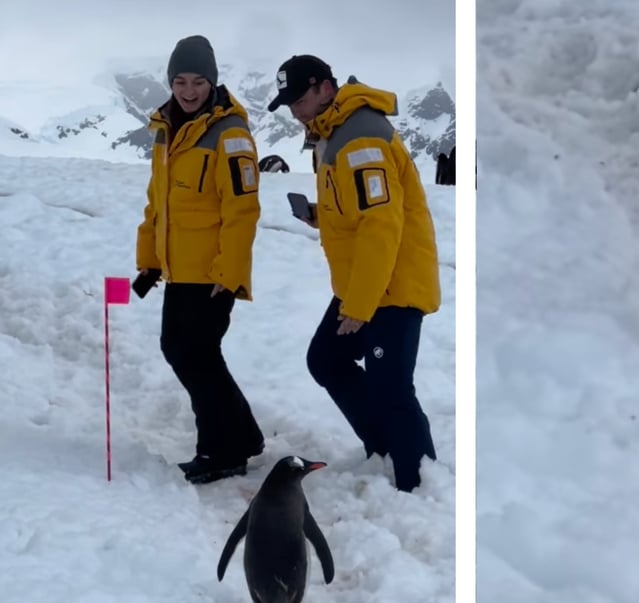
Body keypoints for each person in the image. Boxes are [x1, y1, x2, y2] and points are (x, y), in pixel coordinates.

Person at [266, 54, 441, 492]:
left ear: (325, 88)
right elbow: (358, 209)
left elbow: (382, 227)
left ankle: (417, 482)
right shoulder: (332, 134)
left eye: (300, 99)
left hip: (392, 285)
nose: (295, 111)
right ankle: (384, 449)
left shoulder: (361, 139)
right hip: (364, 282)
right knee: (327, 359)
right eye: (289, 103)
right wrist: (321, 216)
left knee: (392, 388)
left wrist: (360, 306)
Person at [135, 35, 265, 485]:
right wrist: (150, 261)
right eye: (180, 81)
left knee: (194, 354)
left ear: (213, 82)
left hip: (211, 273)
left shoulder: (230, 134)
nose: (188, 91)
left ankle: (222, 451)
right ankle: (242, 437)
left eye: (198, 82)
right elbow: (159, 204)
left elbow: (242, 210)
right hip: (179, 269)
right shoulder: (166, 129)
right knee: (189, 352)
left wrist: (229, 274)